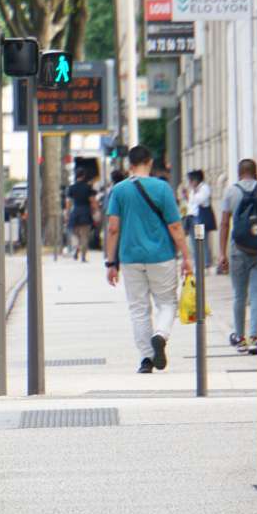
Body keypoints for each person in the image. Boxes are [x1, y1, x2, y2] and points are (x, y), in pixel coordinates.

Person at [104, 146, 192, 374]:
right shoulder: (162, 188)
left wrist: (111, 263)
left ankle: (146, 358)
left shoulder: (119, 191)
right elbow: (175, 226)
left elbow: (113, 228)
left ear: (129, 165)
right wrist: (186, 257)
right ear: (150, 162)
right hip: (161, 256)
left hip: (130, 257)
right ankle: (160, 335)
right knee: (167, 302)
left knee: (138, 309)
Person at [218, 159, 257, 355]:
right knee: (256, 294)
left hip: (238, 249)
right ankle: (254, 338)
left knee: (239, 295)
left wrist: (221, 253)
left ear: (239, 172)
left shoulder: (231, 191)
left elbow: (225, 223)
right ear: (255, 172)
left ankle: (240, 339)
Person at [184, 170, 215, 270]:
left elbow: (199, 200)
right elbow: (190, 203)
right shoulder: (194, 190)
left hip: (201, 218)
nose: (190, 183)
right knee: (193, 242)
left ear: (196, 180)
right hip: (192, 218)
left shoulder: (204, 188)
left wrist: (190, 194)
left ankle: (206, 263)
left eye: (191, 180)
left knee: (203, 241)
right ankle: (197, 262)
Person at [65, 171, 99, 262]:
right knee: (84, 236)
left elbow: (68, 202)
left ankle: (76, 247)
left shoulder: (71, 188)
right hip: (85, 212)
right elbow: (92, 201)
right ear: (84, 176)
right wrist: (96, 211)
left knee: (75, 234)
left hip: (75, 212)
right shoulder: (88, 188)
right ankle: (83, 256)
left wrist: (67, 214)